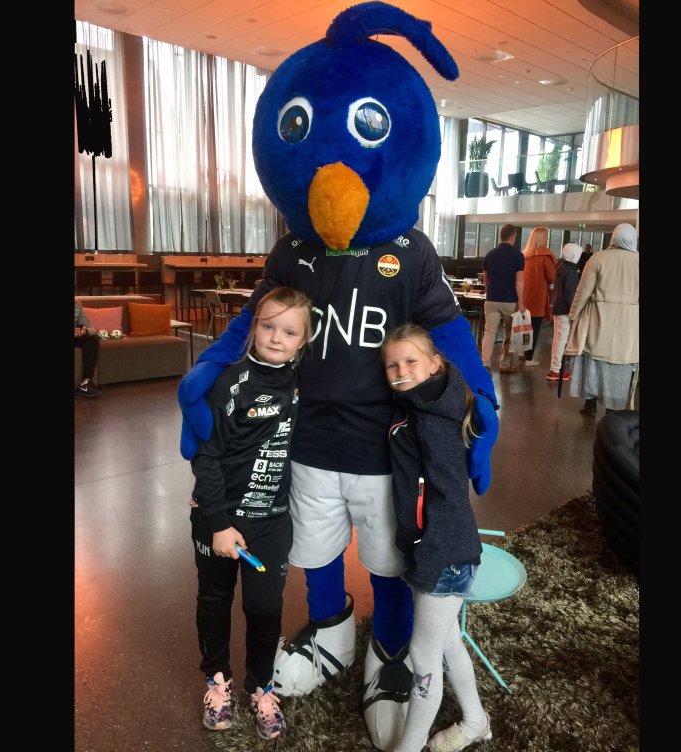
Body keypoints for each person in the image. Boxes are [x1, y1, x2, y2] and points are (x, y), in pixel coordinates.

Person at [177, 7, 500, 750]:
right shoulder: (292, 251)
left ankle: (389, 651)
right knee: (315, 551)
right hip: (306, 442)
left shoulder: (411, 253)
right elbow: (258, 319)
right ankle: (331, 633)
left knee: (389, 558)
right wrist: (209, 367)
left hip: (385, 449)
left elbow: (449, 333)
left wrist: (479, 402)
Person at [191, 287, 314, 741]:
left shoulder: (303, 381)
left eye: (290, 331)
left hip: (271, 522)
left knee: (264, 608)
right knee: (214, 600)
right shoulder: (230, 382)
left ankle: (261, 687)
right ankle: (216, 681)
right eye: (268, 326)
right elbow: (206, 457)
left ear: (304, 340)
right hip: (218, 520)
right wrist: (219, 523)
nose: (277, 337)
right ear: (253, 327)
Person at [381, 324, 492, 752]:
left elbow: (448, 498)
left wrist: (429, 557)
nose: (401, 371)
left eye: (410, 361)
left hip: (444, 555)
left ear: (434, 364)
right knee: (447, 642)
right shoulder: (418, 405)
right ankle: (476, 721)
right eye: (392, 365)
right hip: (433, 549)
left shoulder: (435, 423)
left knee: (423, 659)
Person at [565, 223, 639, 416]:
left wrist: (573, 315)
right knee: (619, 366)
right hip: (628, 325)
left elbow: (582, 292)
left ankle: (590, 404)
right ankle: (613, 410)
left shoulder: (598, 258)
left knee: (594, 363)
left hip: (598, 321)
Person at [481, 224, 526, 372]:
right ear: (513, 237)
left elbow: (486, 278)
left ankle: (485, 364)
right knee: (509, 332)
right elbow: (519, 281)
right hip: (510, 301)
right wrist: (521, 302)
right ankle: (505, 364)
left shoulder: (490, 254)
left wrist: (488, 294)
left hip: (492, 299)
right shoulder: (518, 256)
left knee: (489, 332)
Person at [520, 226, 556, 366]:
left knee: (525, 327)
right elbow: (552, 277)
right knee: (534, 328)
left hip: (524, 296)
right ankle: (529, 358)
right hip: (538, 297)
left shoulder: (525, 256)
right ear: (543, 238)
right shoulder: (545, 257)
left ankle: (523, 352)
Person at [547, 242, 583, 381]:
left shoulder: (561, 267)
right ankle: (555, 370)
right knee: (561, 340)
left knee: (558, 339)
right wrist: (573, 312)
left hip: (558, 307)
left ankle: (554, 368)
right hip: (564, 309)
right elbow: (570, 294)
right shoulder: (570, 271)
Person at [74, 300, 101, 398]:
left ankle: (85, 383)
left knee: (92, 338)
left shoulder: (76, 305)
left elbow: (92, 328)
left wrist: (84, 332)